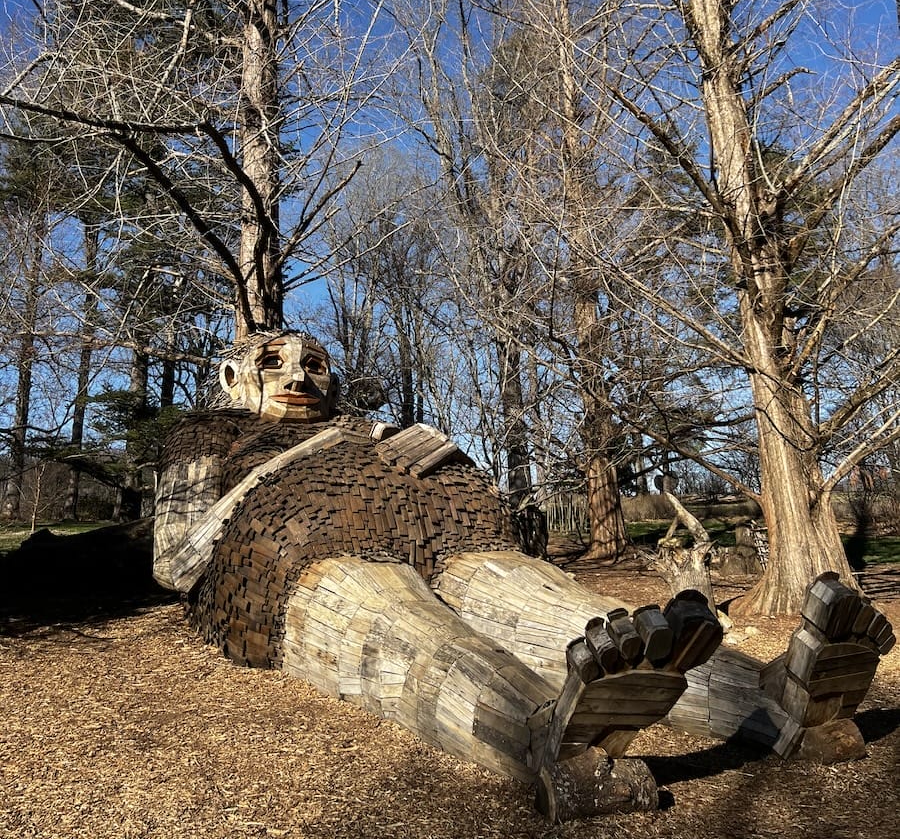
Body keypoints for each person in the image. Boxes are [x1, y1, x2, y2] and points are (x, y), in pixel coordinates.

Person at [153, 331, 892, 818]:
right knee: (396, 618)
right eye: (274, 364)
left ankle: (769, 700)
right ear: (232, 378)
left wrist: (435, 452)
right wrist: (288, 467)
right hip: (300, 562)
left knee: (548, 603)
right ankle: (543, 734)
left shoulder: (368, 427)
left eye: (313, 363)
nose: (298, 376)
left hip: (443, 533)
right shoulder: (206, 436)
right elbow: (174, 562)